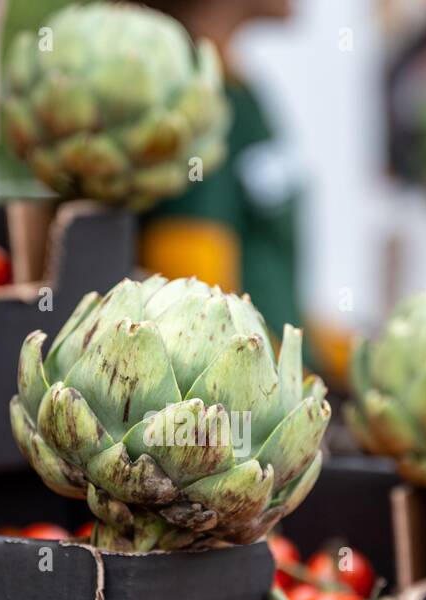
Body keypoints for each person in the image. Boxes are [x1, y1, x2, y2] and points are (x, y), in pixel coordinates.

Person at [141, 0, 301, 344]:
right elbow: (191, 278)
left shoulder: (239, 89)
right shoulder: (192, 97)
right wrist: (265, 365)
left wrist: (312, 343)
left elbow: (262, 252)